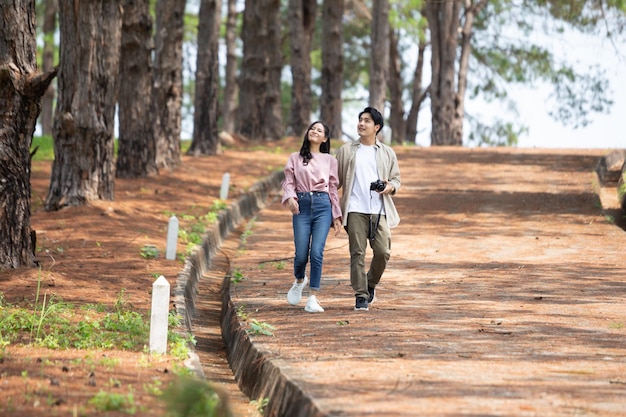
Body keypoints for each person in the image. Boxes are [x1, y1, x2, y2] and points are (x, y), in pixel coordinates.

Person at [336, 107, 401, 311]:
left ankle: (370, 284)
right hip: (354, 209)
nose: (361, 124)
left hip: (380, 210)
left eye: (367, 121)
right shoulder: (346, 151)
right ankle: (361, 295)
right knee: (357, 252)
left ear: (377, 127)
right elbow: (334, 181)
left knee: (383, 252)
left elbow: (396, 180)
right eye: (360, 120)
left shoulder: (387, 152)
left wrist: (389, 186)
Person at [281, 121, 342, 313]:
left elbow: (332, 189)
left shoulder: (330, 160)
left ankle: (312, 297)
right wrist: (290, 198)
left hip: (323, 206)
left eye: (320, 130)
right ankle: (300, 279)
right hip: (302, 206)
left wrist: (337, 215)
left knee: (317, 252)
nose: (314, 131)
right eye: (312, 128)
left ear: (325, 138)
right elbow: (288, 181)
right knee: (301, 254)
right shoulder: (295, 158)